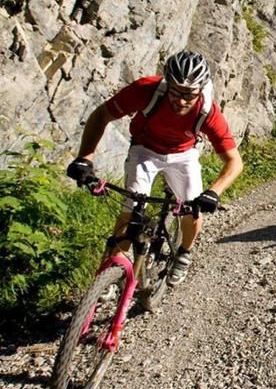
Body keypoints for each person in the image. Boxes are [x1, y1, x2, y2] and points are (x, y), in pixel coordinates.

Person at [66, 50, 243, 286]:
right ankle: (110, 273)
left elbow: (234, 162)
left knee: (193, 210)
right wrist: (84, 158)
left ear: (201, 89)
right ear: (167, 83)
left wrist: (213, 192)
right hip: (145, 150)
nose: (181, 100)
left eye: (189, 94)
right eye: (176, 91)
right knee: (132, 209)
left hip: (184, 155)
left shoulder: (208, 111)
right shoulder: (146, 90)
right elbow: (101, 116)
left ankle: (184, 253)